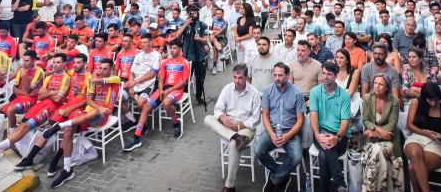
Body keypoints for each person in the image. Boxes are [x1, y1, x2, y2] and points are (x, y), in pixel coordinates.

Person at [124, 38, 190, 151]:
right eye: (171, 48)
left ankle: (176, 123)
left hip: (177, 89)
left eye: (175, 48)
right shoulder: (165, 62)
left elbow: (184, 81)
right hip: (164, 89)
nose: (172, 51)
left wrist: (170, 90)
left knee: (166, 102)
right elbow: (161, 79)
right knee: (145, 107)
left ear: (180, 49)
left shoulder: (185, 62)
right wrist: (160, 90)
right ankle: (136, 137)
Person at [204, 63, 261, 192]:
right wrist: (224, 118)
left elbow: (256, 118)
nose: (237, 81)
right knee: (208, 119)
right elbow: (218, 109)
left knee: (232, 145)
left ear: (246, 77)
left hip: (245, 126)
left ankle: (230, 186)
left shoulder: (254, 93)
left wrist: (239, 126)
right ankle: (236, 137)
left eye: (240, 78)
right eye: (235, 77)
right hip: (229, 123)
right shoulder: (227, 88)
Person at [256, 62, 306, 192]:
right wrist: (272, 134)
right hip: (272, 128)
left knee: (296, 158)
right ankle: (283, 176)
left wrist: (287, 136)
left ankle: (274, 179)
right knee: (259, 151)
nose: (277, 78)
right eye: (275, 75)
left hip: (291, 130)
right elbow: (265, 115)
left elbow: (300, 120)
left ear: (288, 75)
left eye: (281, 75)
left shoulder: (297, 93)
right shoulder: (268, 90)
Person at [310, 62, 351, 192]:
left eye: (329, 74)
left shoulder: (344, 95)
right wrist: (317, 134)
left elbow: (345, 122)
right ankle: (340, 184)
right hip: (320, 132)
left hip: (340, 135)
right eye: (323, 73)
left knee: (323, 154)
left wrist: (337, 137)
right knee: (326, 146)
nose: (325, 77)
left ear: (336, 76)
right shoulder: (315, 91)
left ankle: (325, 189)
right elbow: (314, 117)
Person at [404, 82, 441, 192]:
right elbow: (409, 125)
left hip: (437, 142)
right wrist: (426, 134)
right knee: (415, 153)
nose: (434, 103)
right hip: (418, 136)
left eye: (436, 100)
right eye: (430, 100)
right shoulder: (416, 102)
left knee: (412, 168)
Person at [360, 73, 403, 191]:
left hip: (390, 138)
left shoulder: (394, 101)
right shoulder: (368, 97)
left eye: (380, 84)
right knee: (377, 151)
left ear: (387, 87)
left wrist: (377, 134)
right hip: (371, 136)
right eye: (375, 83)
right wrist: (377, 130)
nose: (377, 86)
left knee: (377, 151)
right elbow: (365, 120)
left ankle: (368, 188)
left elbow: (392, 124)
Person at [174, 5, 208, 106]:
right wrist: (184, 25)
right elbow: (176, 36)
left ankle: (198, 97)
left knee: (200, 78)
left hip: (200, 56)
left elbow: (206, 40)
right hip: (187, 57)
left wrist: (200, 39)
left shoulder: (202, 25)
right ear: (188, 14)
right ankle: (184, 96)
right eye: (191, 13)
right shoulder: (184, 24)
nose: (193, 15)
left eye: (195, 13)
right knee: (185, 79)